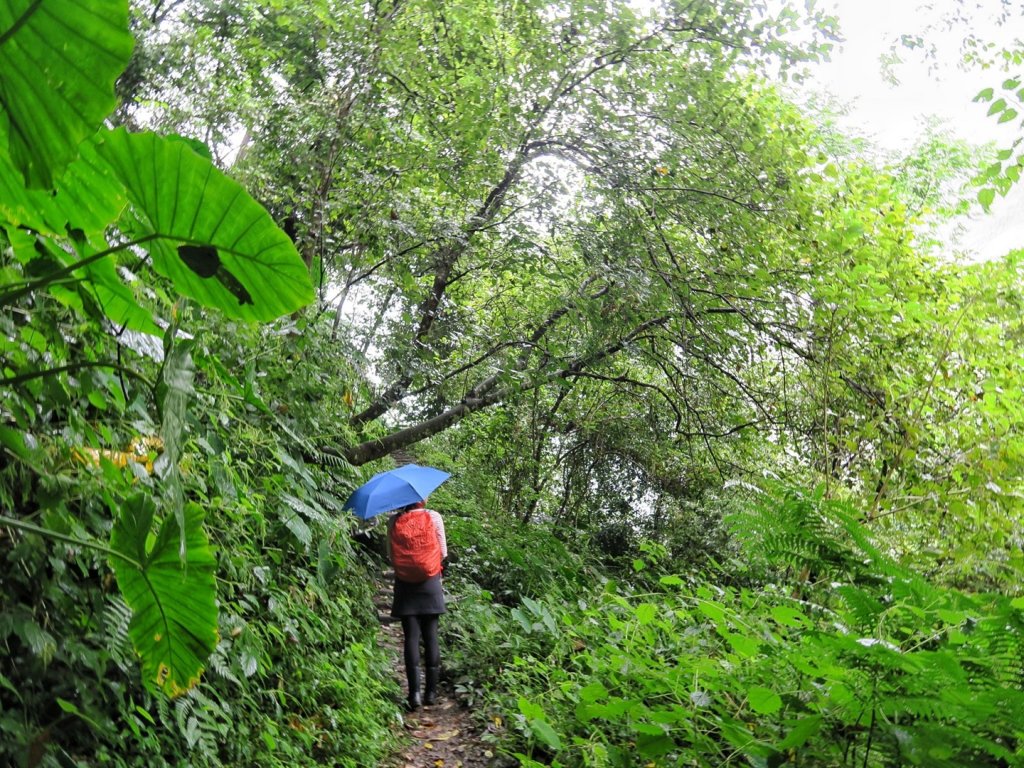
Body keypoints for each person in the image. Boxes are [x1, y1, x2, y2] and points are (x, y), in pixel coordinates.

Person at [387, 499, 447, 711]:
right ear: (423, 498)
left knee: (411, 637)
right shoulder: (434, 516)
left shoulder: (394, 521)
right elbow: (443, 552)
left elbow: (391, 556)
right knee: (431, 636)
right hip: (430, 582)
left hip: (405, 585)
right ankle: (431, 693)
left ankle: (414, 695)